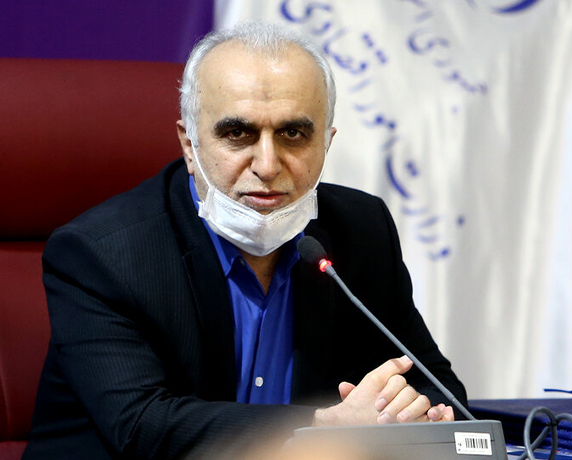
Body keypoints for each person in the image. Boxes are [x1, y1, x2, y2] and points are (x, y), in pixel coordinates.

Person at [23, 22, 466, 460]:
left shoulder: (360, 230)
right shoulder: (102, 254)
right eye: (238, 134)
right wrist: (323, 427)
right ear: (190, 146)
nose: (268, 165)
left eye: (293, 134)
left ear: (327, 144)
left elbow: (436, 386)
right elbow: (142, 428)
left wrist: (411, 412)